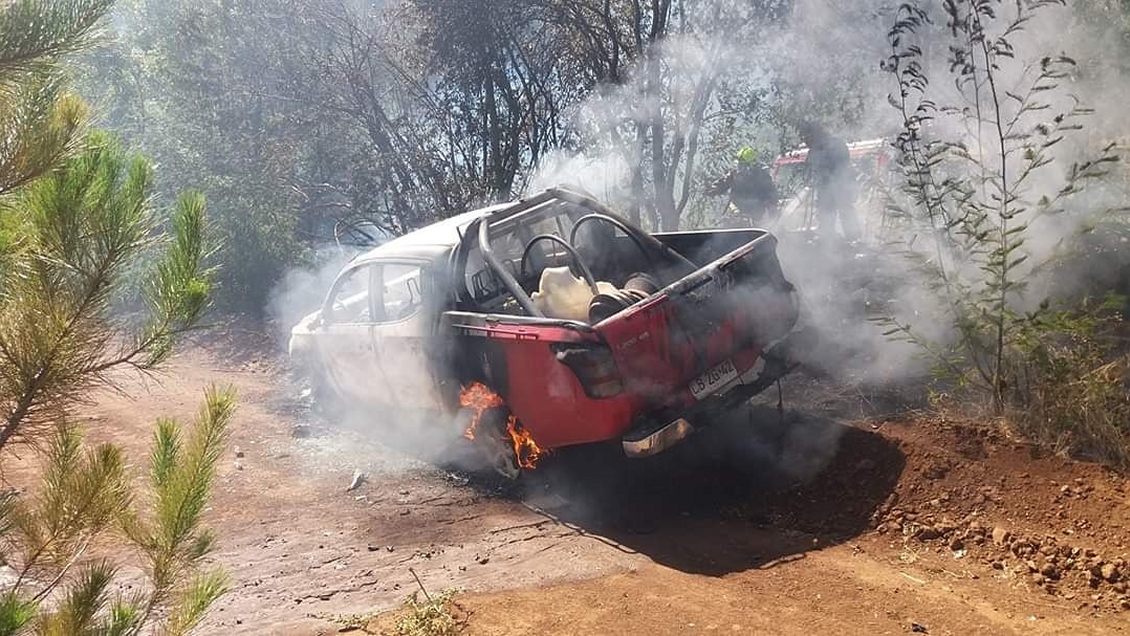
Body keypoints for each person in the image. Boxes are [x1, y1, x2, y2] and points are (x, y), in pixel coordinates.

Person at [797, 121, 862, 242]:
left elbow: (843, 164)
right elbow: (808, 169)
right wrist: (809, 179)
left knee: (845, 210)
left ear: (814, 134)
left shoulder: (835, 143)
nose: (806, 141)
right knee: (825, 212)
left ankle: (854, 239)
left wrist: (828, 175)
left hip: (840, 185)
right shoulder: (814, 150)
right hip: (824, 188)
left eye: (807, 136)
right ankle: (828, 238)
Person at [706, 146, 779, 227]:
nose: (740, 169)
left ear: (752, 165)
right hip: (737, 212)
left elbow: (771, 192)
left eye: (743, 165)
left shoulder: (762, 176)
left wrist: (771, 206)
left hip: (757, 215)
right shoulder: (734, 175)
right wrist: (713, 189)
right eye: (739, 165)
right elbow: (723, 183)